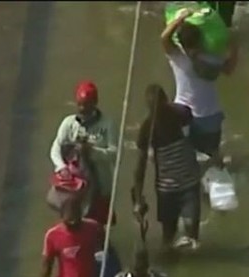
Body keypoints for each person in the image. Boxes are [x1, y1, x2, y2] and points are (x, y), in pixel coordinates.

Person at [161, 7, 239, 164]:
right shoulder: (211, 60)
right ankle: (219, 177)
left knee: (185, 156)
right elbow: (229, 69)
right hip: (209, 115)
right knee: (214, 155)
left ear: (181, 42)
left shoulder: (178, 58)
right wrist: (234, 45)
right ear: (201, 39)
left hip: (182, 114)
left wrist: (180, 18)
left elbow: (164, 38)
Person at [131, 84, 202, 251]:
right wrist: (137, 198)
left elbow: (200, 136)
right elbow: (140, 168)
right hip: (166, 190)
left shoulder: (182, 115)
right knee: (168, 237)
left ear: (167, 102)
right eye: (154, 110)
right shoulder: (148, 129)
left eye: (160, 107)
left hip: (189, 183)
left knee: (191, 230)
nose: (159, 114)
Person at [50, 81, 118, 226]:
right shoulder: (69, 124)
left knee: (98, 226)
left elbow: (115, 154)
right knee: (72, 224)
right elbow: (56, 148)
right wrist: (61, 167)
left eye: (86, 105)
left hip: (101, 185)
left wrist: (92, 151)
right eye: (79, 104)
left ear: (95, 103)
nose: (82, 108)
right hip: (74, 188)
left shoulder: (107, 125)